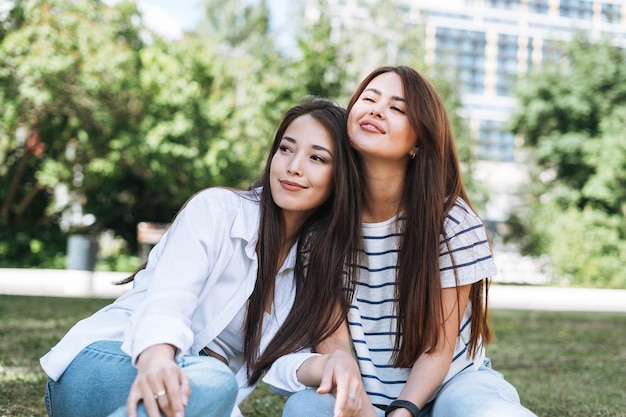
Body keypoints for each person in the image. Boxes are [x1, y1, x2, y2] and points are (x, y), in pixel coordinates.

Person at [40, 97, 360, 417]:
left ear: (340, 179)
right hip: (112, 363)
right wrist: (158, 360)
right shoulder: (218, 210)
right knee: (215, 382)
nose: (293, 166)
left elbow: (281, 361)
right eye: (286, 149)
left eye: (317, 158)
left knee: (307, 403)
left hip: (195, 394)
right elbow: (168, 301)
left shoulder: (311, 267)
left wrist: (329, 363)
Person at [263, 66, 537, 417]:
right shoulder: (321, 231)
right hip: (364, 395)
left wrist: (403, 410)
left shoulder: (451, 221)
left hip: (452, 384)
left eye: (397, 108)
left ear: (418, 141)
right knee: (305, 408)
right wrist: (359, 406)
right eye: (369, 99)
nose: (376, 110)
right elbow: (334, 343)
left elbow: (438, 349)